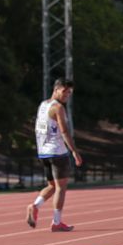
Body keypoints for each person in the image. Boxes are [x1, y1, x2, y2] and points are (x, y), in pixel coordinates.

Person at [26, 78, 83, 231]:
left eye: (69, 93)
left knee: (52, 186)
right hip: (57, 152)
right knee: (61, 187)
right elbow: (64, 131)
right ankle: (56, 222)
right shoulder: (58, 108)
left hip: (43, 153)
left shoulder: (43, 105)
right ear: (56, 89)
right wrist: (74, 151)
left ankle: (35, 205)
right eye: (65, 91)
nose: (67, 95)